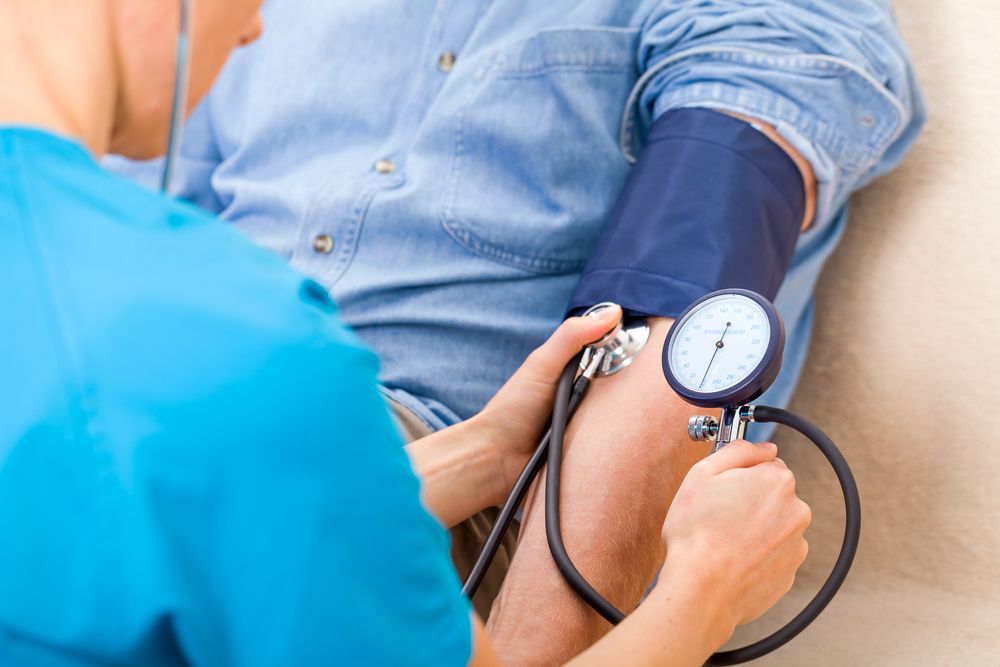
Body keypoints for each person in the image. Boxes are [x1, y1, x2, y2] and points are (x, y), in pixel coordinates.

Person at [0, 1, 811, 665]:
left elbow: (679, 320)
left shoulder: (116, 302)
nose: (256, 27)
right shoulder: (265, 352)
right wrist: (706, 588)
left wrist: (482, 455)